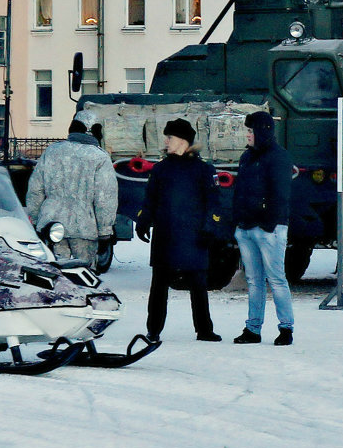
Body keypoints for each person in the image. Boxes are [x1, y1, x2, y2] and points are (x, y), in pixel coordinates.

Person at [136, 118, 222, 343]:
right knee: (159, 286)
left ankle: (204, 329)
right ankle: (153, 329)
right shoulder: (161, 169)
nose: (166, 141)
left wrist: (209, 227)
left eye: (170, 137)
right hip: (166, 235)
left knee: (198, 285)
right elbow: (150, 200)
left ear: (183, 141)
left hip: (194, 236)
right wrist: (143, 221)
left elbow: (214, 202)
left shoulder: (204, 170)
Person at [232, 110, 295, 346]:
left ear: (262, 131)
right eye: (247, 130)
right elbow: (239, 192)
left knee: (277, 279)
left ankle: (286, 328)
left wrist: (269, 223)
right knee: (254, 281)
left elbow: (281, 194)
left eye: (250, 130)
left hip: (270, 228)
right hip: (246, 227)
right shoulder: (246, 158)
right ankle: (253, 328)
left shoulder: (278, 157)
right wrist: (238, 221)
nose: (247, 135)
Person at [25, 114, 117, 268]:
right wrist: (105, 232)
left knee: (53, 273)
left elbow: (35, 189)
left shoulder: (52, 151)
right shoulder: (100, 157)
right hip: (85, 229)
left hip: (51, 225)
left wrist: (36, 220)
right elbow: (105, 198)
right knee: (82, 275)